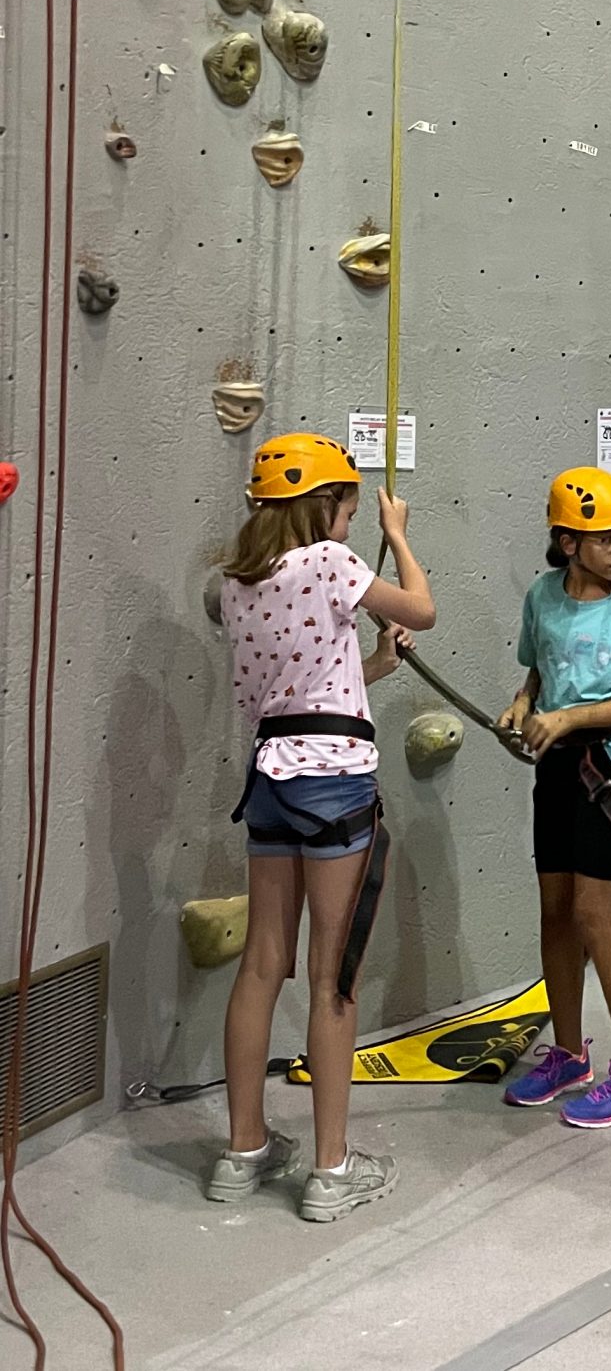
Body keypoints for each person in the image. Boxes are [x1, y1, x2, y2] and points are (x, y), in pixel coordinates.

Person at [208, 433, 436, 1222]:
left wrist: (372, 666)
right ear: (330, 508)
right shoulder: (332, 564)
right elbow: (423, 609)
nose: (352, 517)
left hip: (270, 778)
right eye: (349, 505)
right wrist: (399, 533)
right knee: (333, 979)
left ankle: (242, 1153)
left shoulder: (238, 584)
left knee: (262, 965)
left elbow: (278, 694)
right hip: (336, 785)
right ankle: (332, 1169)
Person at [496, 467, 611, 1128]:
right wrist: (522, 705)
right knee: (555, 912)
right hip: (556, 765)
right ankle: (570, 1052)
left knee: (597, 916)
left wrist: (569, 719)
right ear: (567, 542)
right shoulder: (544, 597)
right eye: (606, 540)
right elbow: (541, 666)